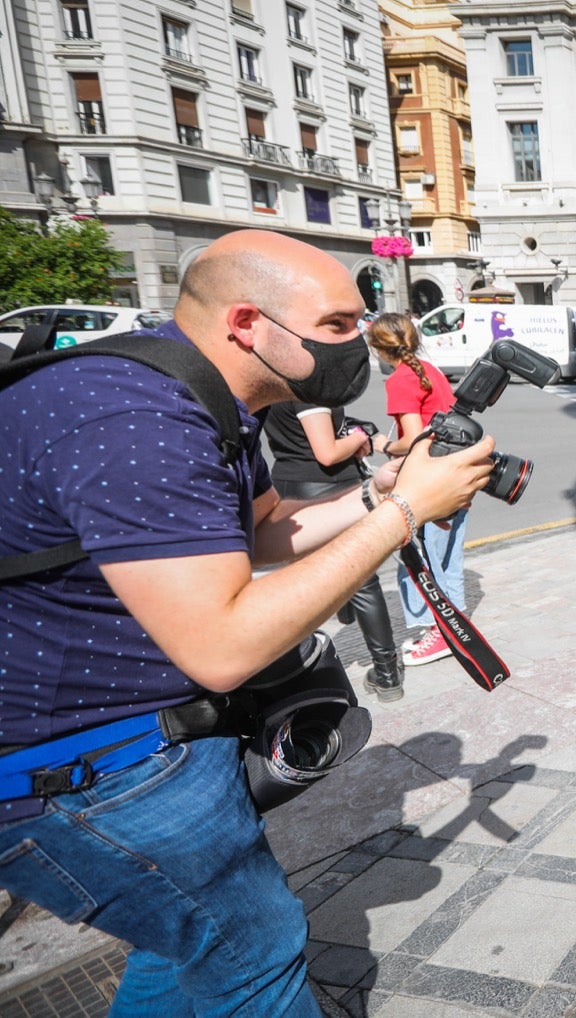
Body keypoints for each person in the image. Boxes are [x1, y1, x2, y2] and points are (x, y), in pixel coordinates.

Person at [0, 230, 492, 1014]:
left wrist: (374, 493)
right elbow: (224, 646)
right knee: (255, 949)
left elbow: (261, 526)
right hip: (77, 769)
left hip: (132, 739)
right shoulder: (138, 417)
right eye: (336, 325)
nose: (357, 345)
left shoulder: (194, 392)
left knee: (186, 939)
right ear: (246, 324)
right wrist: (405, 515)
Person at [262, 400, 405, 702]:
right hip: (326, 487)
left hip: (288, 484)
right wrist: (358, 437)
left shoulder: (275, 385)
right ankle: (387, 673)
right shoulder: (308, 392)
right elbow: (326, 453)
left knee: (307, 580)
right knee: (364, 583)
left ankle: (303, 669)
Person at [366, 313, 472, 668]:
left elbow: (414, 437)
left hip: (427, 478)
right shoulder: (430, 370)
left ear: (381, 349)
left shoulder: (401, 379)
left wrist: (384, 444)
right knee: (447, 558)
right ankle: (452, 629)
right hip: (455, 471)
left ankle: (441, 633)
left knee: (421, 561)